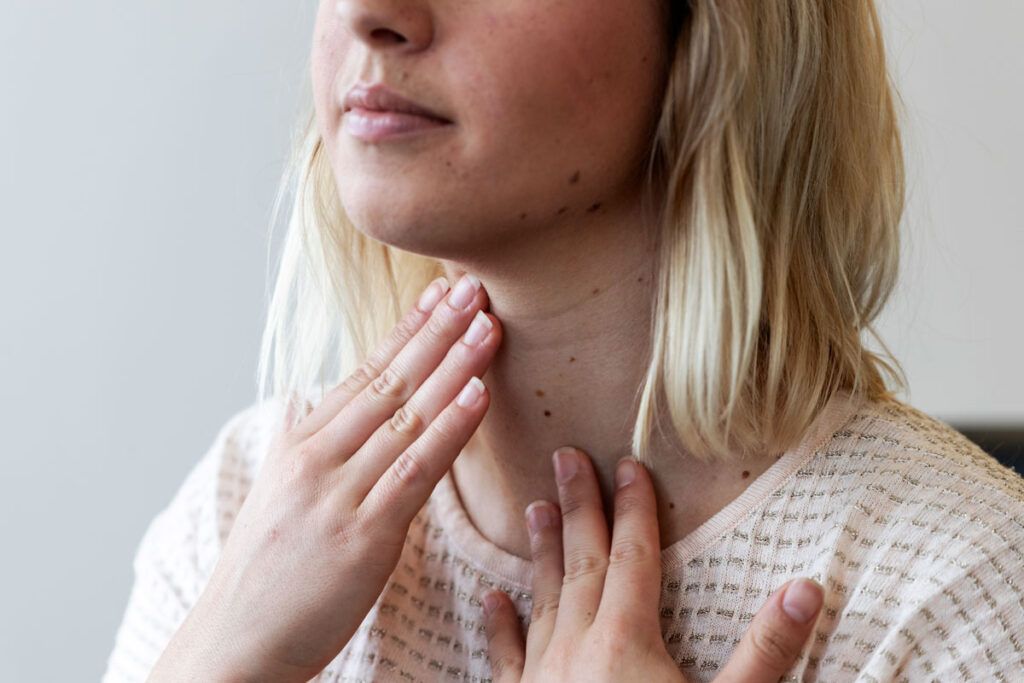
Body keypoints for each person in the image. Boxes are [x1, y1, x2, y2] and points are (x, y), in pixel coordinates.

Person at [103, 1, 1024, 681]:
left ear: (714, 31)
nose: (368, 13)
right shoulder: (240, 505)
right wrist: (212, 664)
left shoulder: (956, 596)